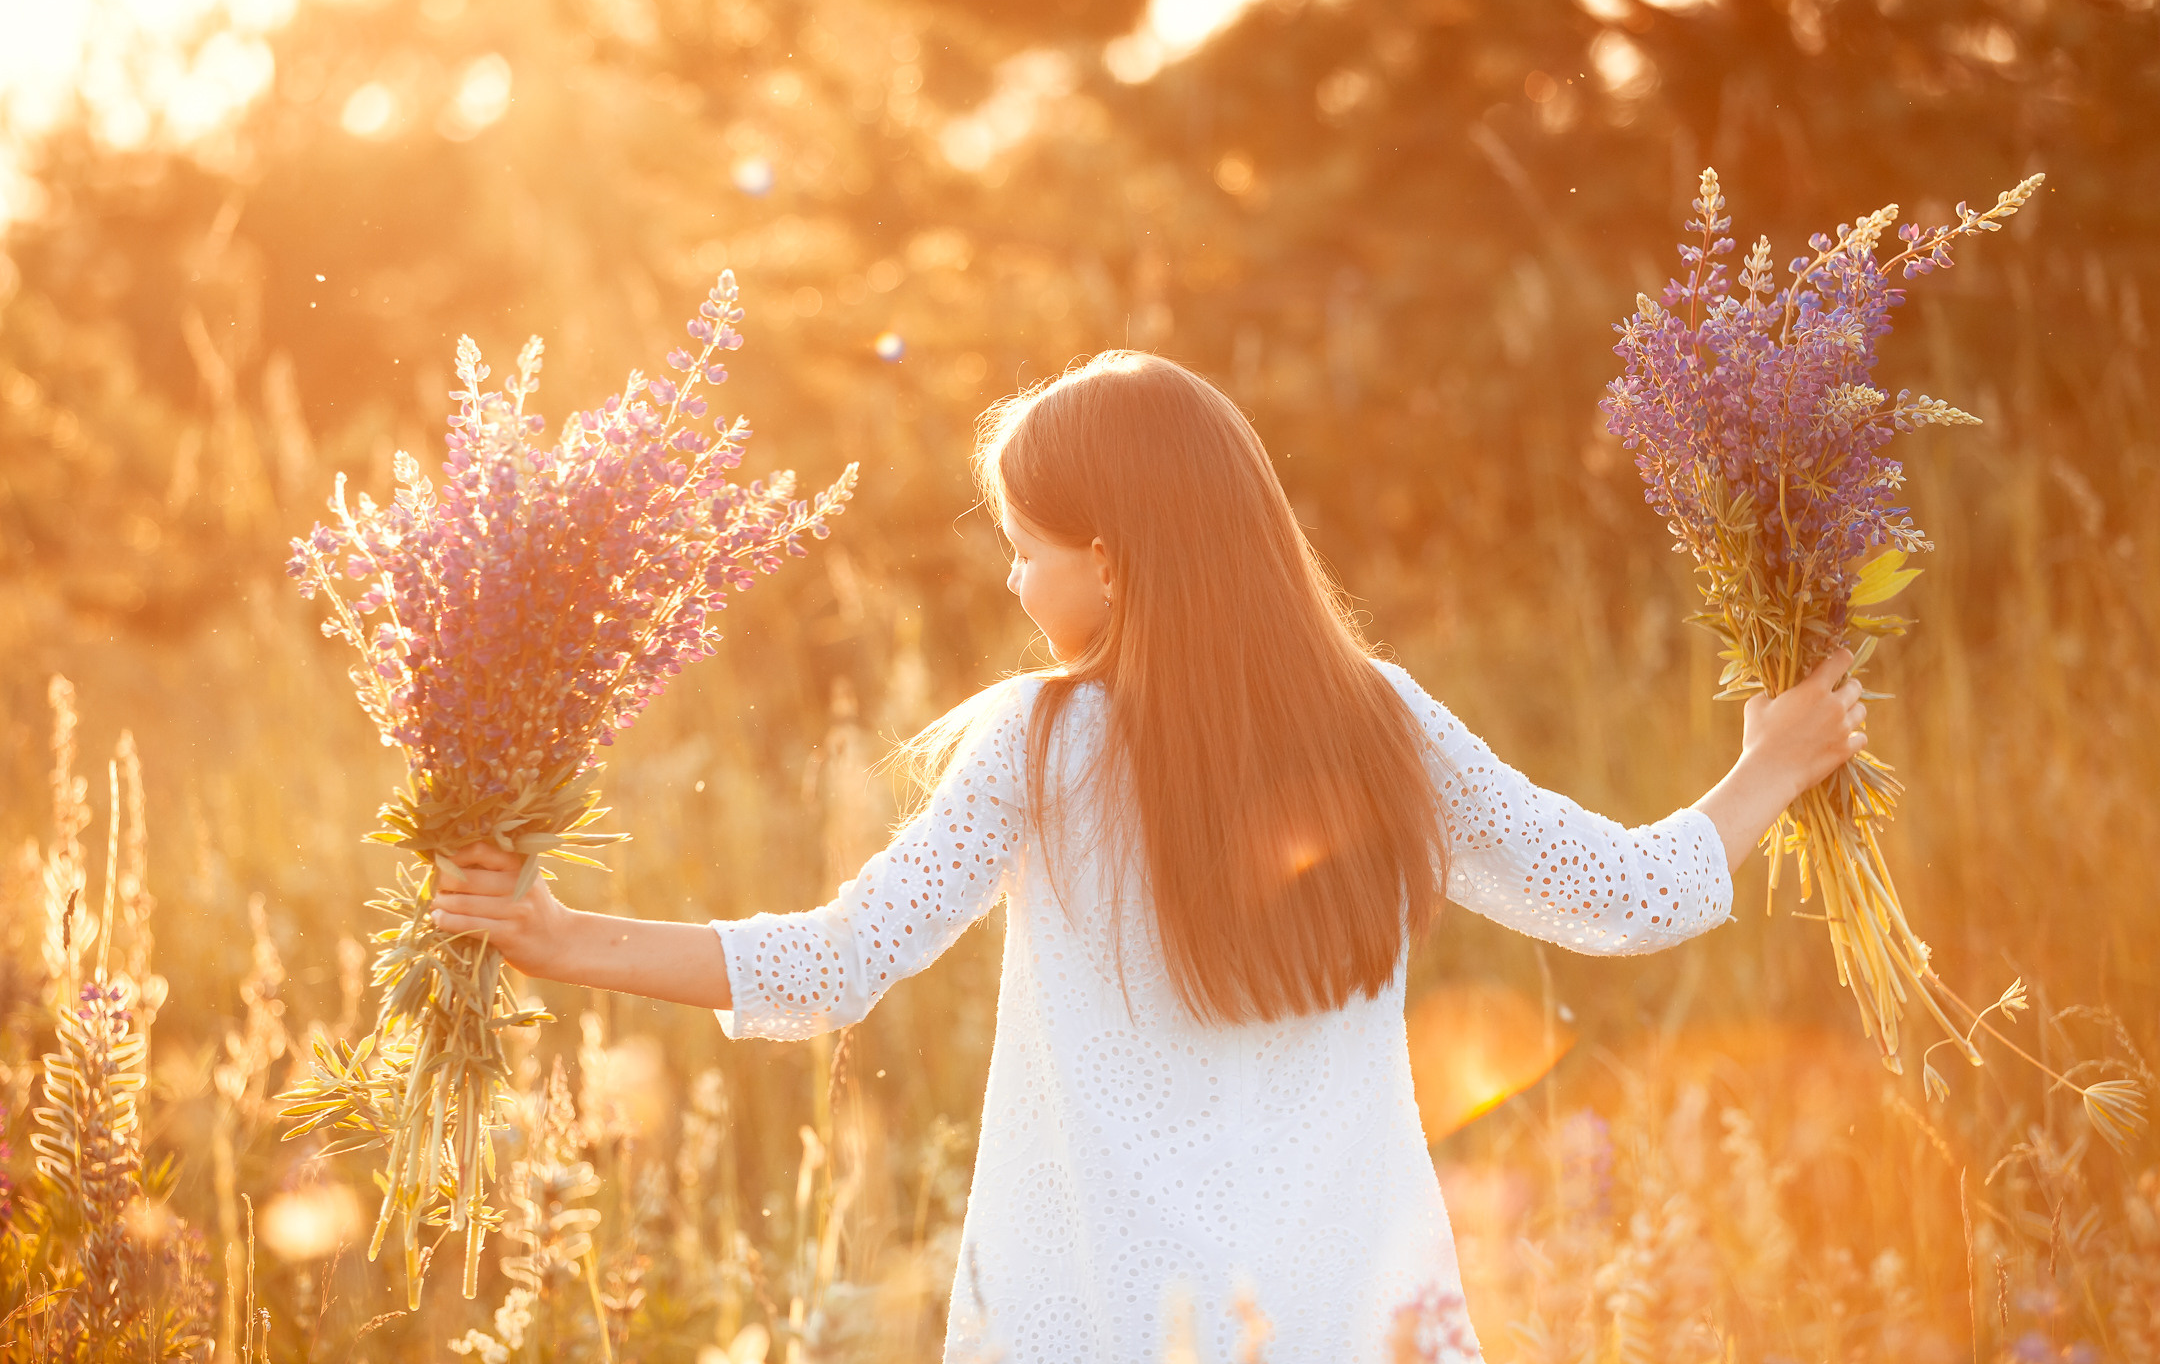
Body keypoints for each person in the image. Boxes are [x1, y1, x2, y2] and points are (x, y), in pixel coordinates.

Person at [434, 351, 1868, 1363]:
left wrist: (566, 938)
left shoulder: (1038, 746)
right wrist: (1770, 765)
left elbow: (836, 962)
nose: (1011, 576)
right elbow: (1627, 896)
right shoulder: (1383, 726)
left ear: (1108, 558)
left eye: (1023, 545)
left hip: (1100, 1327)